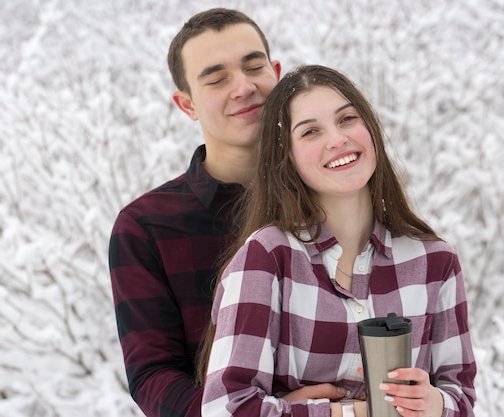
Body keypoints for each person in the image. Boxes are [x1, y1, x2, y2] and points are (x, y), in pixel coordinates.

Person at [199, 65, 477, 417]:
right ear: (287, 157)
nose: (336, 139)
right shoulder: (267, 257)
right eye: (311, 132)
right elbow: (226, 408)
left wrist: (434, 403)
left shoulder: (435, 262)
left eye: (347, 119)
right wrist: (357, 413)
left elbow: (461, 397)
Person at [109, 10, 347, 417]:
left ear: (275, 73)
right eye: (216, 79)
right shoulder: (145, 227)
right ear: (187, 105)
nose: (243, 87)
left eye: (254, 66)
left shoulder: (340, 192)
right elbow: (153, 375)